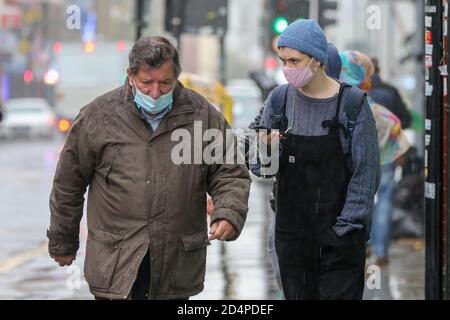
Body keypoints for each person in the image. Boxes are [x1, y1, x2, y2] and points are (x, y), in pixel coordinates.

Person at [47, 36, 251, 300]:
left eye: (165, 83)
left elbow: (230, 171)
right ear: (131, 75)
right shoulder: (98, 116)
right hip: (115, 263)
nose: (155, 92)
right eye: (147, 83)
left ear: (177, 76)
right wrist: (63, 240)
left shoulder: (202, 115)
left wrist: (228, 213)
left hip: (175, 265)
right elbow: (68, 184)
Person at [252, 20, 380, 300]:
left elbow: (366, 174)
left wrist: (345, 230)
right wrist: (265, 150)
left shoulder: (353, 105)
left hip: (340, 243)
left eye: (295, 61)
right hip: (293, 240)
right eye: (283, 60)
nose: (287, 68)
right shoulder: (279, 100)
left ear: (318, 60)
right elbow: (259, 167)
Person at [340, 52, 410, 267]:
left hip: (358, 160)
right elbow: (404, 119)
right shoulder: (388, 92)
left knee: (360, 199)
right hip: (385, 156)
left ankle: (364, 244)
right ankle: (381, 251)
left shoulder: (342, 95)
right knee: (384, 201)